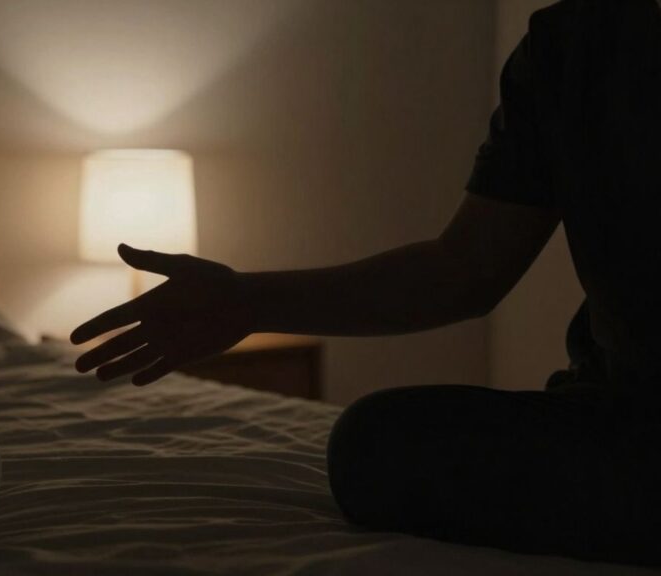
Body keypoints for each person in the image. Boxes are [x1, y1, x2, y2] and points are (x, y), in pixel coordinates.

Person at [72, 0, 661, 566]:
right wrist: (246, 300)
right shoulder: (572, 42)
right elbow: (463, 272)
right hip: (618, 418)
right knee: (373, 443)